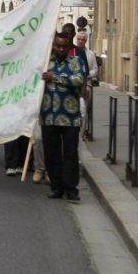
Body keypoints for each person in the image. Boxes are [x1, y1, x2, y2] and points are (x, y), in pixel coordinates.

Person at [41, 32, 86, 202]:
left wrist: (55, 77)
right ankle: (56, 186)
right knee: (51, 153)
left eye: (64, 46)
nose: (60, 49)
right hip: (48, 115)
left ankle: (71, 188)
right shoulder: (45, 62)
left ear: (69, 46)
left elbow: (78, 79)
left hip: (70, 116)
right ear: (53, 45)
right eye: (58, 46)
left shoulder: (76, 61)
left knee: (70, 153)